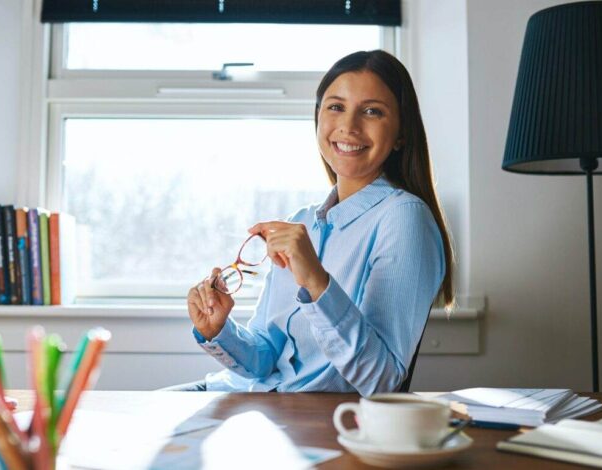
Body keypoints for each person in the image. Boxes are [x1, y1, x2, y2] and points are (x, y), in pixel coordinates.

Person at [169, 50, 454, 395]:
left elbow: (382, 380)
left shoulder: (404, 219)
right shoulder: (302, 222)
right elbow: (266, 360)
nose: (349, 126)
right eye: (336, 107)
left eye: (372, 111)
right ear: (317, 118)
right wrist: (219, 331)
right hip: (239, 394)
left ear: (401, 135)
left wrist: (317, 281)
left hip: (305, 418)